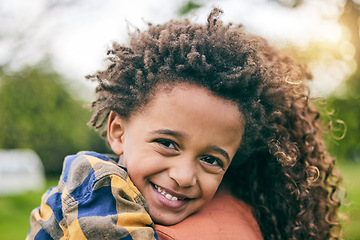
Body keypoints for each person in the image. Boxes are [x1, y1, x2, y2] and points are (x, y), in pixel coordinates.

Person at [27, 8, 343, 240]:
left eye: (210, 160)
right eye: (167, 143)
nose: (183, 176)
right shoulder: (96, 184)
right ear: (118, 132)